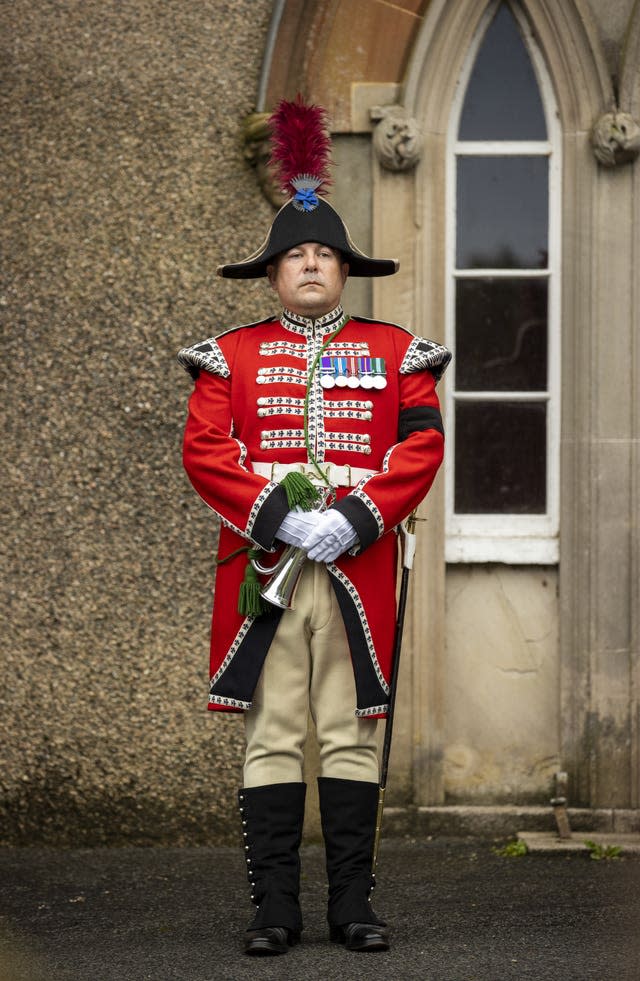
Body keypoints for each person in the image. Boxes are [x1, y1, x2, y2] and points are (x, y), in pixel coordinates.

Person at [178, 97, 450, 956]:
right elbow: (205, 449)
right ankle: (274, 910)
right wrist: (282, 516)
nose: (308, 264)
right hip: (266, 573)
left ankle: (352, 908)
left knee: (348, 732)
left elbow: (423, 442)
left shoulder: (396, 348)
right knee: (272, 733)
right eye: (293, 254)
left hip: (357, 574)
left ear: (343, 268)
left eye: (322, 253)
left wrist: (357, 517)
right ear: (271, 273)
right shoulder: (231, 354)